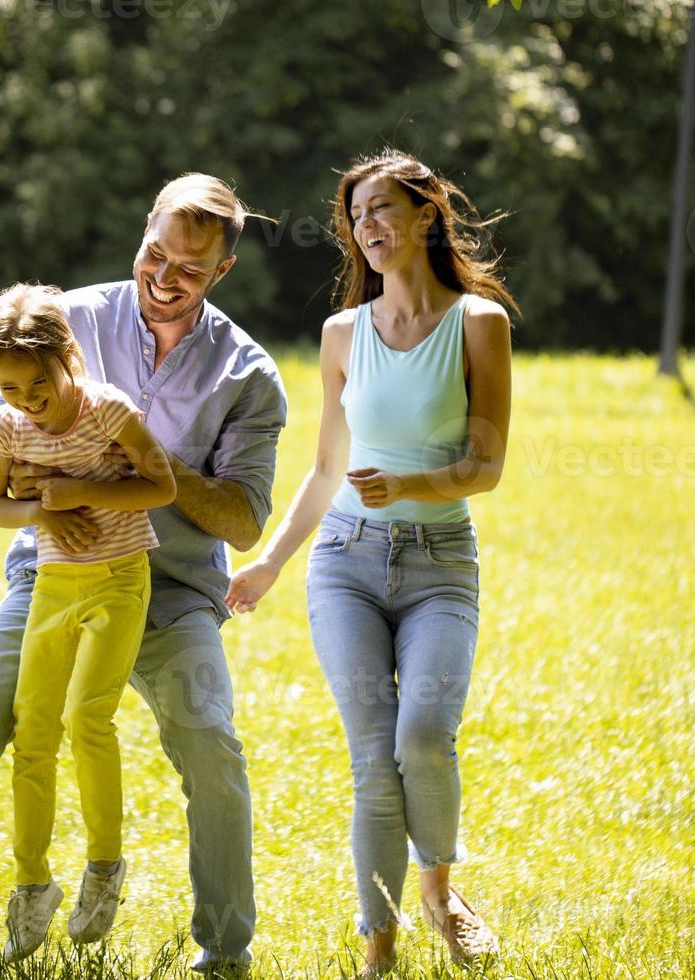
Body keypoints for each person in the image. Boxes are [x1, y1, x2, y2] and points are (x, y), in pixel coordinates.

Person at [0, 174, 287, 980]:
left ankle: (224, 954)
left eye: (189, 270)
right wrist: (51, 476)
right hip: (49, 577)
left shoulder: (247, 376)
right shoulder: (70, 317)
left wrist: (143, 459)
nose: (163, 278)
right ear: (144, 229)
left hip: (174, 594)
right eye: (156, 253)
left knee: (211, 748)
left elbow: (245, 521)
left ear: (222, 272)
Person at [226, 149, 514, 976]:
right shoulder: (343, 333)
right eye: (357, 216)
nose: (369, 227)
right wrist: (272, 563)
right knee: (372, 753)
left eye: (383, 209)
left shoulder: (479, 324)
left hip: (440, 563)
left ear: (427, 213)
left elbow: (487, 465)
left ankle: (440, 892)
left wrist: (408, 483)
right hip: (344, 564)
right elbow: (324, 470)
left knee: (423, 736)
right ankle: (378, 945)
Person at [0, 282, 177, 960]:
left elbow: (162, 485)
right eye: (10, 388)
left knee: (88, 718)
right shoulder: (5, 426)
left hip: (118, 579)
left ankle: (105, 870)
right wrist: (42, 513)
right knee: (34, 729)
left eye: (37, 385)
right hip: (53, 582)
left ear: (66, 356)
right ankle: (32, 886)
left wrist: (82, 490)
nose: (27, 401)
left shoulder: (108, 412)